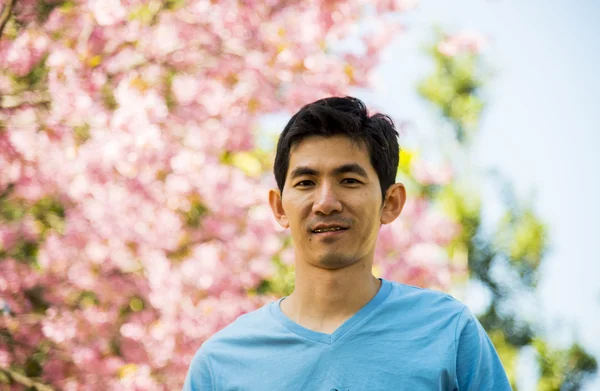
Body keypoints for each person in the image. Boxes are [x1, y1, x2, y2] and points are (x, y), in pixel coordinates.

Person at [182, 96, 512, 390]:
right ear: (279, 207)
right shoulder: (221, 365)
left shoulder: (448, 333)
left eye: (349, 181)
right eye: (306, 182)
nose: (326, 202)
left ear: (391, 203)